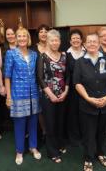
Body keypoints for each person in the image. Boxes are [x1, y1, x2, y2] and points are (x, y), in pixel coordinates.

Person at [73, 33, 106, 171]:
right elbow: (77, 83)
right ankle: (88, 158)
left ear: (99, 44)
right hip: (87, 105)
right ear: (84, 45)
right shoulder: (80, 62)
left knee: (102, 131)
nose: (92, 44)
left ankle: (101, 153)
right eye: (89, 42)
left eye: (94, 42)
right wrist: (88, 98)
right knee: (89, 133)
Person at [4, 27, 41, 165]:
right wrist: (8, 96)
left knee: (33, 122)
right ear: (16, 38)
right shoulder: (11, 53)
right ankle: (19, 151)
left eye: (24, 36)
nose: (21, 38)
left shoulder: (34, 54)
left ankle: (33, 147)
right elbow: (7, 76)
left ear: (28, 38)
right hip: (17, 94)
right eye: (19, 36)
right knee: (20, 124)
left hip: (34, 94)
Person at [37, 29, 69, 163]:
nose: (55, 42)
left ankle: (59, 144)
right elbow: (40, 77)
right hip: (48, 96)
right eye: (52, 40)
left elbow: (68, 76)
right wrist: (50, 95)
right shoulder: (42, 57)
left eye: (57, 40)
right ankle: (52, 152)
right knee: (50, 124)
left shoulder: (64, 55)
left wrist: (66, 91)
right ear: (48, 41)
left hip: (62, 95)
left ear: (60, 41)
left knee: (60, 122)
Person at [0, 27, 16, 132]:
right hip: (7, 82)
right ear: (5, 36)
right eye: (8, 34)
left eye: (12, 34)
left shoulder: (22, 46)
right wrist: (1, 85)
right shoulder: (1, 49)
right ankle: (16, 129)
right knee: (10, 105)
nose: (10, 36)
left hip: (21, 82)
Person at [66, 29, 86, 146]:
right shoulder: (66, 54)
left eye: (78, 38)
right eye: (73, 38)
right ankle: (74, 138)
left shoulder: (87, 52)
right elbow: (66, 73)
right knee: (72, 113)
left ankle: (85, 136)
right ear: (70, 41)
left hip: (85, 88)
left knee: (84, 112)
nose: (76, 40)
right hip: (72, 89)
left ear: (81, 40)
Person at [31, 24, 50, 143]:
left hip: (52, 83)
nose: (43, 34)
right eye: (41, 31)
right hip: (37, 82)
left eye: (46, 31)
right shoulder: (32, 49)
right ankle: (44, 131)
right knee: (40, 109)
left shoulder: (53, 46)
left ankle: (52, 131)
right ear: (38, 35)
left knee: (51, 108)